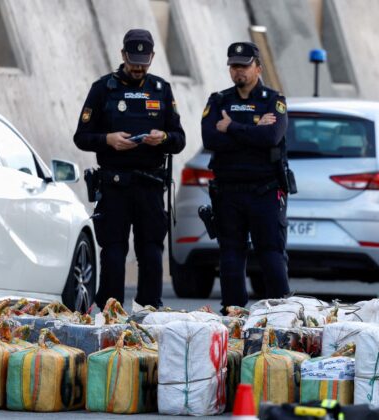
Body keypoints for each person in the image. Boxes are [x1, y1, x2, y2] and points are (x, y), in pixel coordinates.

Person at [74, 29, 185, 309]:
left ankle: (149, 310)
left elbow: (179, 139)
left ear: (152, 58)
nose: (138, 67)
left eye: (144, 61)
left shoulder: (161, 90)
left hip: (150, 185)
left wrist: (164, 138)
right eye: (134, 60)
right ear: (123, 55)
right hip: (114, 185)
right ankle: (111, 310)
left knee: (150, 252)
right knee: (113, 252)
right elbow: (81, 136)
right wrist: (108, 140)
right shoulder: (103, 89)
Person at [201, 42, 290, 310]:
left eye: (244, 65)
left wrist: (232, 127)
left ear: (258, 68)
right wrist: (252, 129)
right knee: (230, 256)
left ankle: (282, 315)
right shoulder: (219, 100)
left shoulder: (273, 101)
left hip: (265, 190)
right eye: (233, 66)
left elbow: (271, 136)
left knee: (271, 254)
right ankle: (233, 315)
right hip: (229, 191)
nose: (238, 71)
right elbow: (210, 138)